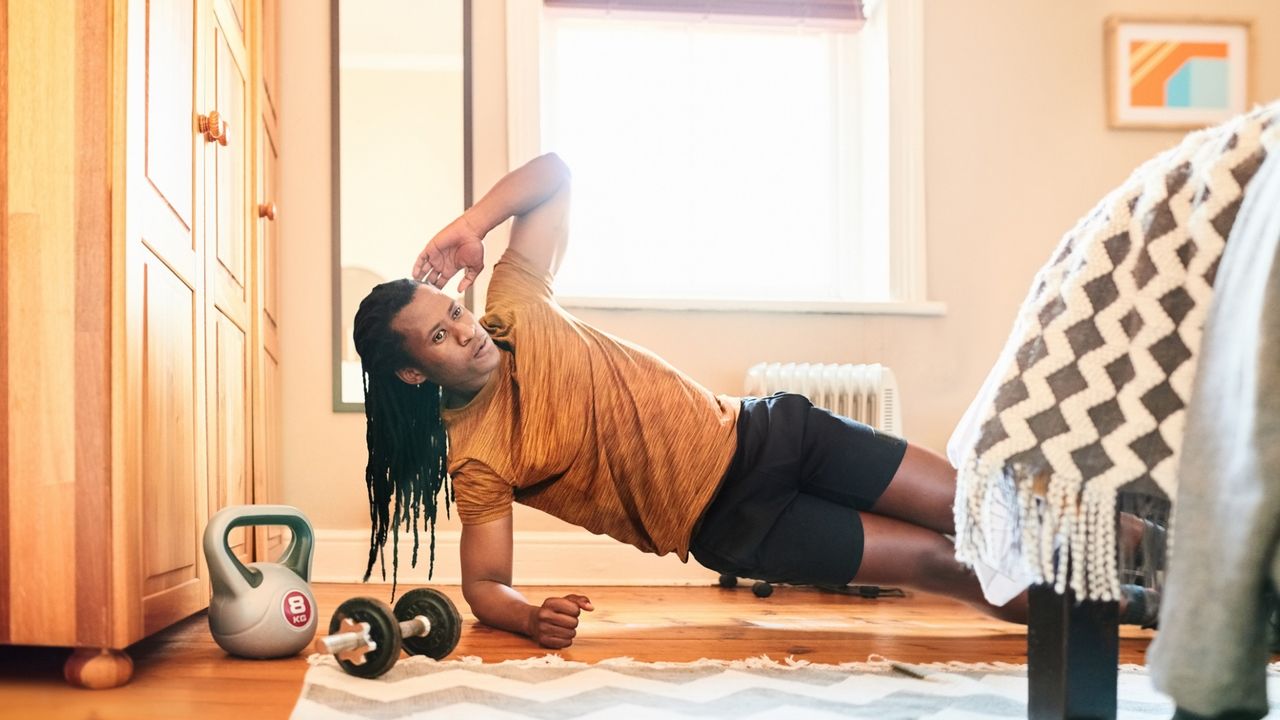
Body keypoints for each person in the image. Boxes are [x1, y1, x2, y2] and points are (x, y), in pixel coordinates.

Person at [353, 153, 1154, 650]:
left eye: (450, 312)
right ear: (413, 377)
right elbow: (485, 584)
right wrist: (530, 619)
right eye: (437, 339)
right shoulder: (481, 456)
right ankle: (1154, 607)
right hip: (737, 523)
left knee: (990, 505)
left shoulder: (515, 305)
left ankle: (1170, 545)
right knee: (946, 563)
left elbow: (556, 172)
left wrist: (472, 221)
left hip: (777, 432)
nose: (462, 332)